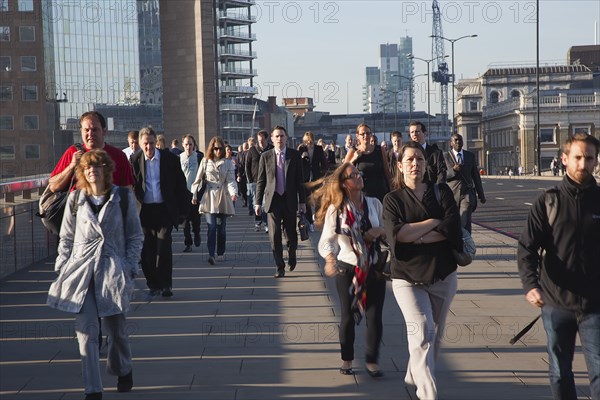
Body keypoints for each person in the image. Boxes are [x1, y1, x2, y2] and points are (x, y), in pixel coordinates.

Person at [47, 149, 144, 400]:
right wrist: (62, 267)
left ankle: (123, 368)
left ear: (106, 170)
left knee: (116, 330)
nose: (92, 170)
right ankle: (93, 390)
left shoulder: (122, 197)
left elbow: (135, 236)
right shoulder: (75, 200)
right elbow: (66, 238)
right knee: (87, 333)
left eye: (97, 166)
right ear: (83, 171)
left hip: (112, 269)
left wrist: (130, 266)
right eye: (88, 167)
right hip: (81, 272)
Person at [517, 133, 600, 400]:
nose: (583, 164)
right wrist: (531, 285)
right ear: (564, 159)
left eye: (589, 158)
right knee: (560, 372)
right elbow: (527, 248)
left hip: (595, 304)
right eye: (578, 157)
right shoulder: (548, 201)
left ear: (596, 161)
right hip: (556, 303)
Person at [382, 141, 462, 400]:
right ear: (400, 165)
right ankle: (428, 394)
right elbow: (398, 235)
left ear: (426, 164)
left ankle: (413, 371)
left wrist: (416, 233)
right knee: (423, 332)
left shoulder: (441, 192)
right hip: (406, 277)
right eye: (409, 160)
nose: (415, 164)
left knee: (434, 336)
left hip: (443, 274)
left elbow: (452, 230)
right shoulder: (392, 199)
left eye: (419, 159)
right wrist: (434, 223)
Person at [316, 162, 387, 378]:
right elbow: (326, 241)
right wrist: (329, 259)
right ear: (345, 184)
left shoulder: (374, 204)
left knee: (375, 316)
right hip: (347, 268)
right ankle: (347, 358)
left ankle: (372, 360)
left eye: (359, 173)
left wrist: (378, 231)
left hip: (374, 266)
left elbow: (387, 231)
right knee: (347, 316)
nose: (358, 177)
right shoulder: (335, 209)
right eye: (353, 175)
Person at [131, 127, 189, 298]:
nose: (148, 147)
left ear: (156, 142)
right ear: (140, 144)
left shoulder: (169, 159)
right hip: (144, 211)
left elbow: (180, 185)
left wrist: (183, 212)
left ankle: (166, 285)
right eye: (145, 144)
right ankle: (153, 283)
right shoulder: (134, 160)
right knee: (147, 251)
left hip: (164, 209)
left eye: (151, 143)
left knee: (163, 246)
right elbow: (131, 186)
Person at [255, 126, 306, 278]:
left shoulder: (294, 155)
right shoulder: (266, 156)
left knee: (291, 234)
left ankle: (292, 254)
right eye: (276, 136)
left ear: (286, 138)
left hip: (289, 199)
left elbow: (300, 180)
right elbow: (261, 180)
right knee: (274, 235)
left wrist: (302, 202)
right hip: (273, 200)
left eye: (282, 136)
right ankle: (279, 266)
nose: (279, 139)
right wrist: (257, 202)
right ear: (272, 138)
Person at [49, 111, 134, 194]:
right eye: (86, 130)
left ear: (104, 131)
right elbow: (53, 186)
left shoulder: (118, 156)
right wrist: (72, 166)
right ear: (81, 131)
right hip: (79, 206)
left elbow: (128, 190)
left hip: (111, 205)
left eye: (94, 129)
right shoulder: (73, 152)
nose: (90, 134)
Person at [191, 136, 237, 265]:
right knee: (211, 227)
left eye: (220, 148)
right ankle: (211, 254)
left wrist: (233, 193)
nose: (218, 151)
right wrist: (194, 195)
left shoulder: (228, 163)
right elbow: (198, 179)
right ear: (211, 148)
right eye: (215, 148)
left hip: (223, 195)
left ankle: (220, 252)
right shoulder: (205, 161)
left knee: (221, 228)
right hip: (209, 196)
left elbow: (231, 180)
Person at [443, 133, 486, 233]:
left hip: (467, 194)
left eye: (460, 140)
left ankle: (464, 240)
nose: (458, 142)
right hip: (451, 194)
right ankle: (460, 243)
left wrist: (481, 195)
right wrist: (453, 170)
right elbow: (442, 176)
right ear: (451, 143)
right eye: (456, 140)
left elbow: (476, 176)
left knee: (464, 217)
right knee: (455, 220)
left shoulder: (469, 156)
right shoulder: (445, 156)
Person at [344, 123, 392, 203]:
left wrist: (391, 189)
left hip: (381, 192)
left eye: (368, 133)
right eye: (362, 134)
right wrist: (354, 159)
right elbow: (343, 170)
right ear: (357, 136)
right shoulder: (354, 151)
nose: (366, 136)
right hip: (363, 194)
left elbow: (387, 171)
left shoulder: (379, 150)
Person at [298, 131, 327, 231]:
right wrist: (302, 157)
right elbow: (297, 163)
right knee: (307, 200)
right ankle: (309, 222)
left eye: (310, 141)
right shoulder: (301, 148)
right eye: (306, 141)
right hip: (305, 177)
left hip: (316, 176)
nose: (308, 143)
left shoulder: (318, 149)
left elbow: (323, 163)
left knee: (318, 198)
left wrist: (324, 177)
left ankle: (318, 217)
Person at [246, 130, 273, 232]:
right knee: (256, 203)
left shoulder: (271, 149)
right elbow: (247, 165)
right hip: (255, 180)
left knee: (266, 203)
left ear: (267, 139)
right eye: (259, 140)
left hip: (268, 181)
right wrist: (249, 180)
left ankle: (266, 223)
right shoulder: (252, 150)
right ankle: (258, 221)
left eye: (262, 140)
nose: (260, 142)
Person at [179, 134, 202, 252]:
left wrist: (198, 193)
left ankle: (197, 233)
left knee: (196, 219)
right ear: (183, 145)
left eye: (190, 144)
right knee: (185, 221)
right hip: (183, 194)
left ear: (194, 145)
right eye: (186, 144)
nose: (188, 147)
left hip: (195, 192)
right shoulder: (179, 158)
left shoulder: (198, 157)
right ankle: (188, 242)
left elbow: (202, 176)